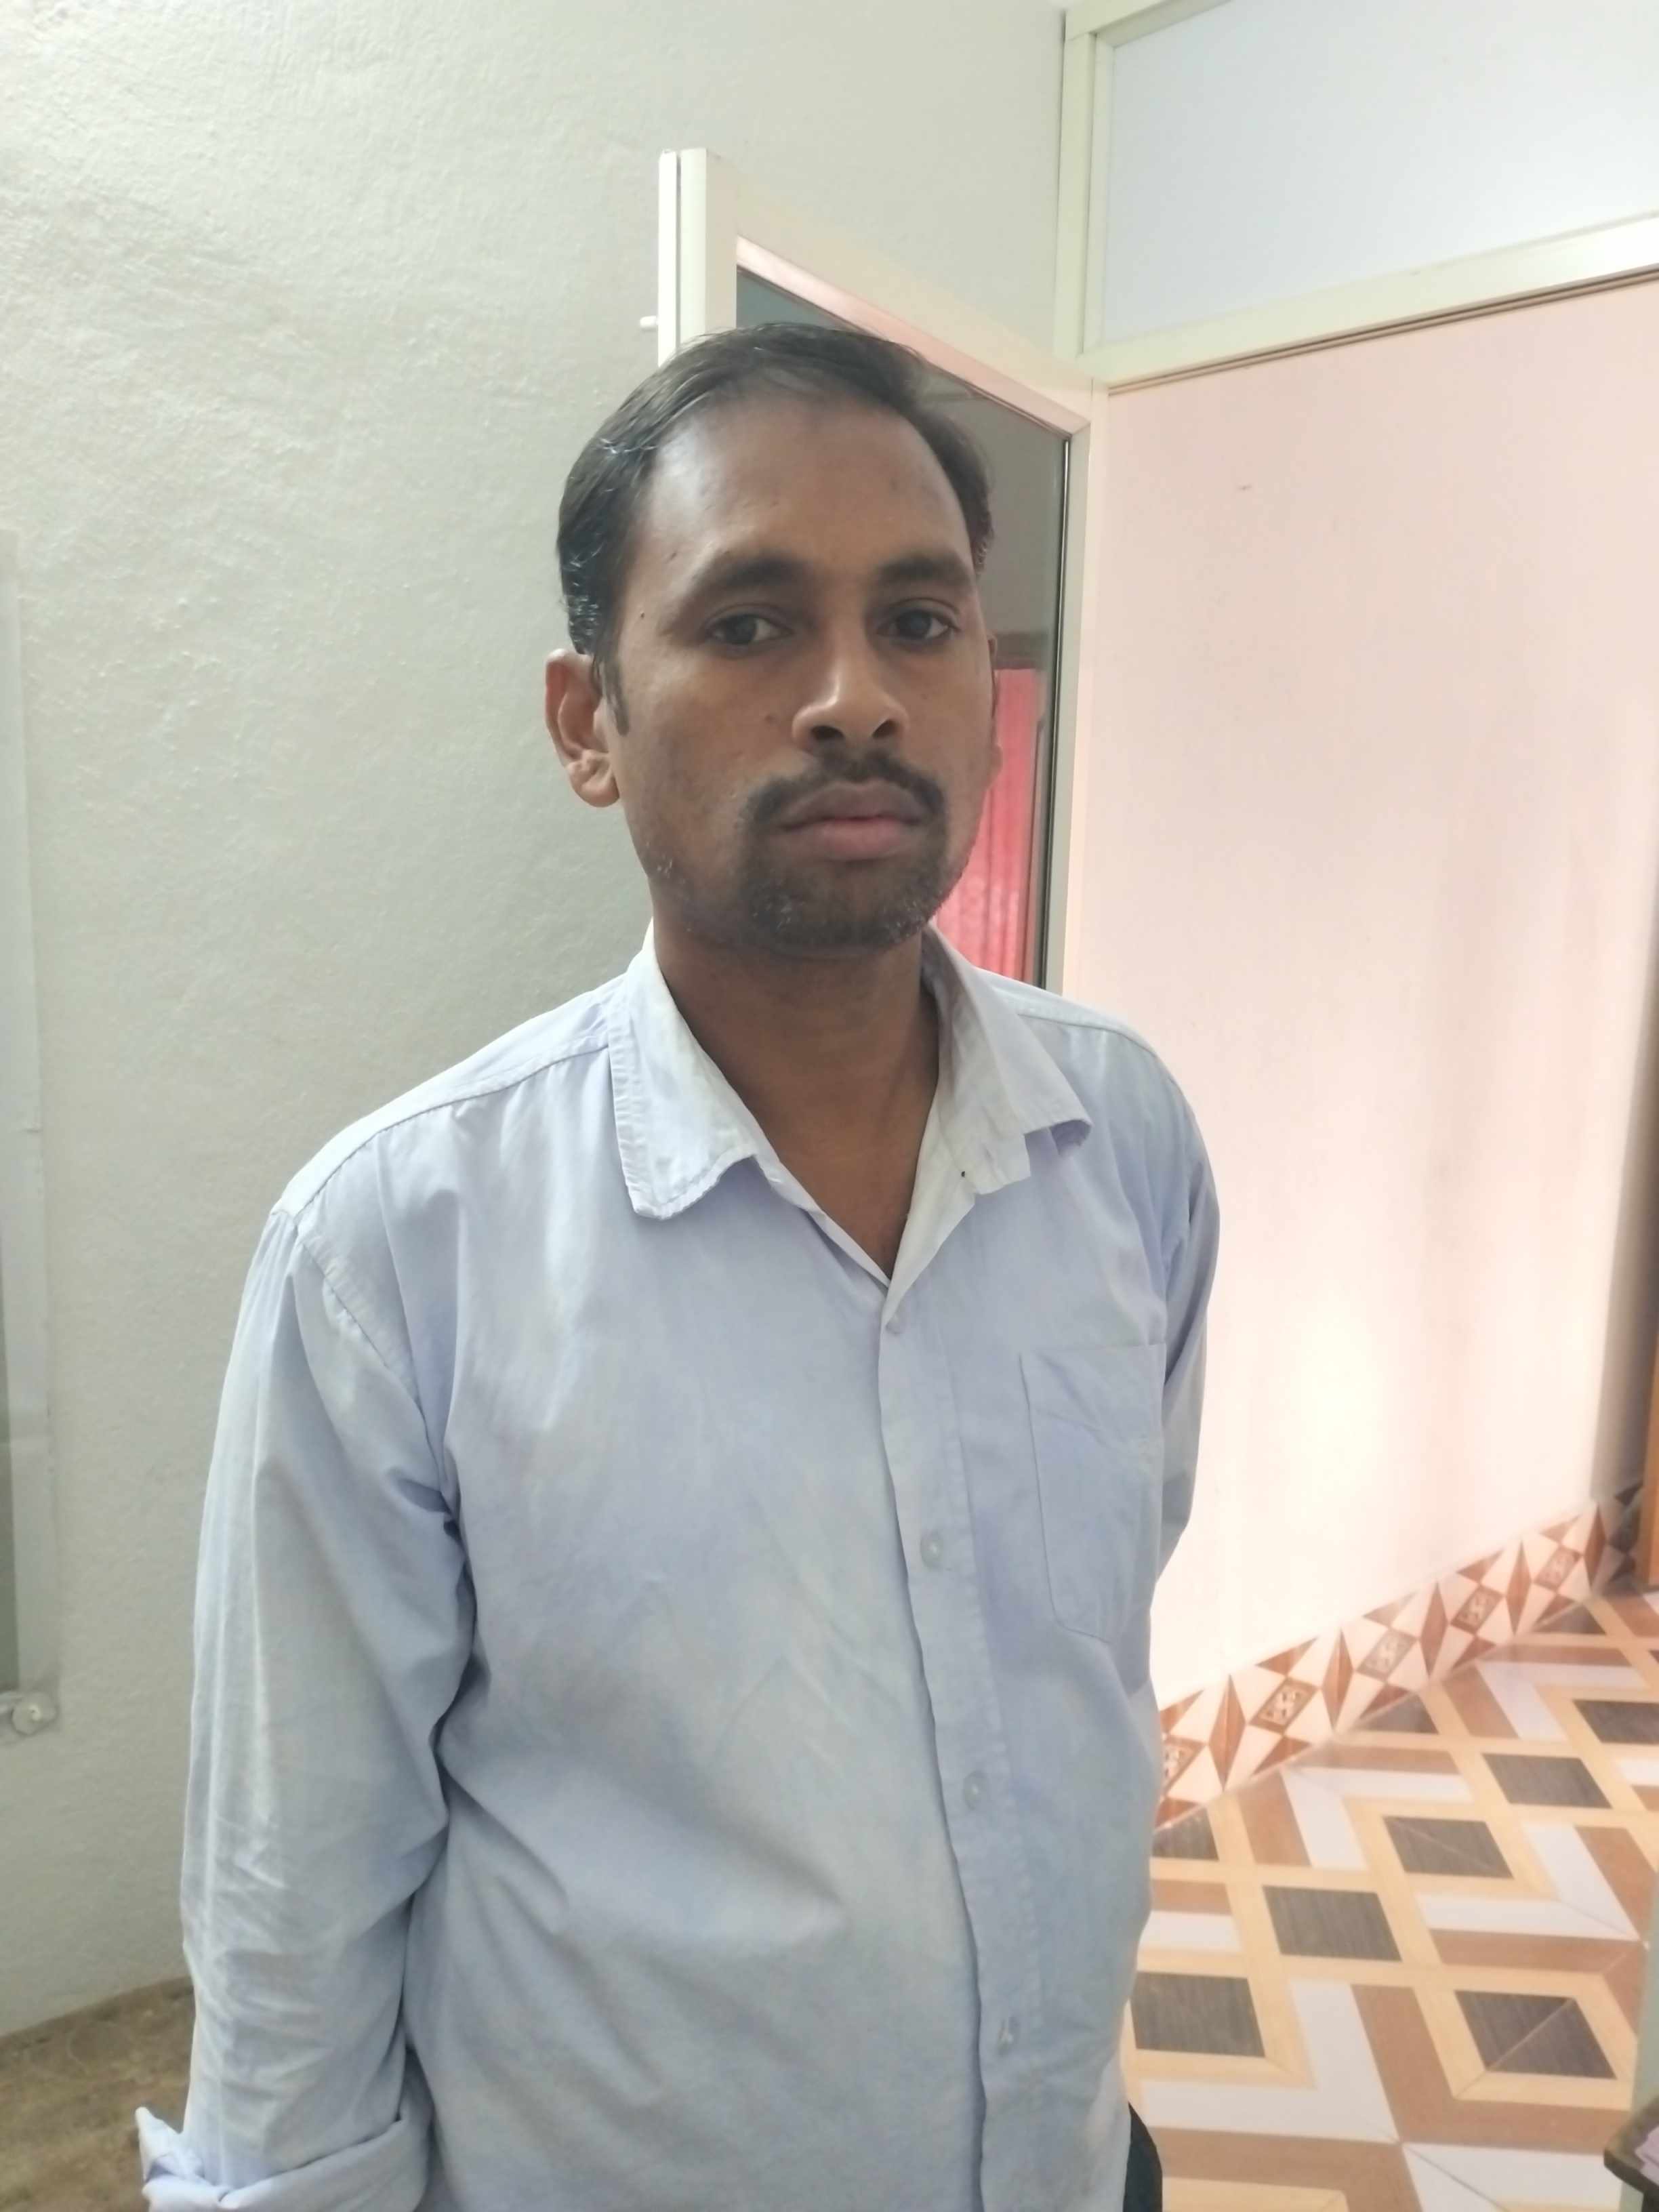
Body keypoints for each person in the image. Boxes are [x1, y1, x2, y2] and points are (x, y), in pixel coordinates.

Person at [138, 321, 1218, 2211]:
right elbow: (294, 1903)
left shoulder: (1119, 1140)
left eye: (920, 622)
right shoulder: (397, 1254)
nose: (856, 699)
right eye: (749, 624)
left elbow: (1098, 1635)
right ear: (588, 723)